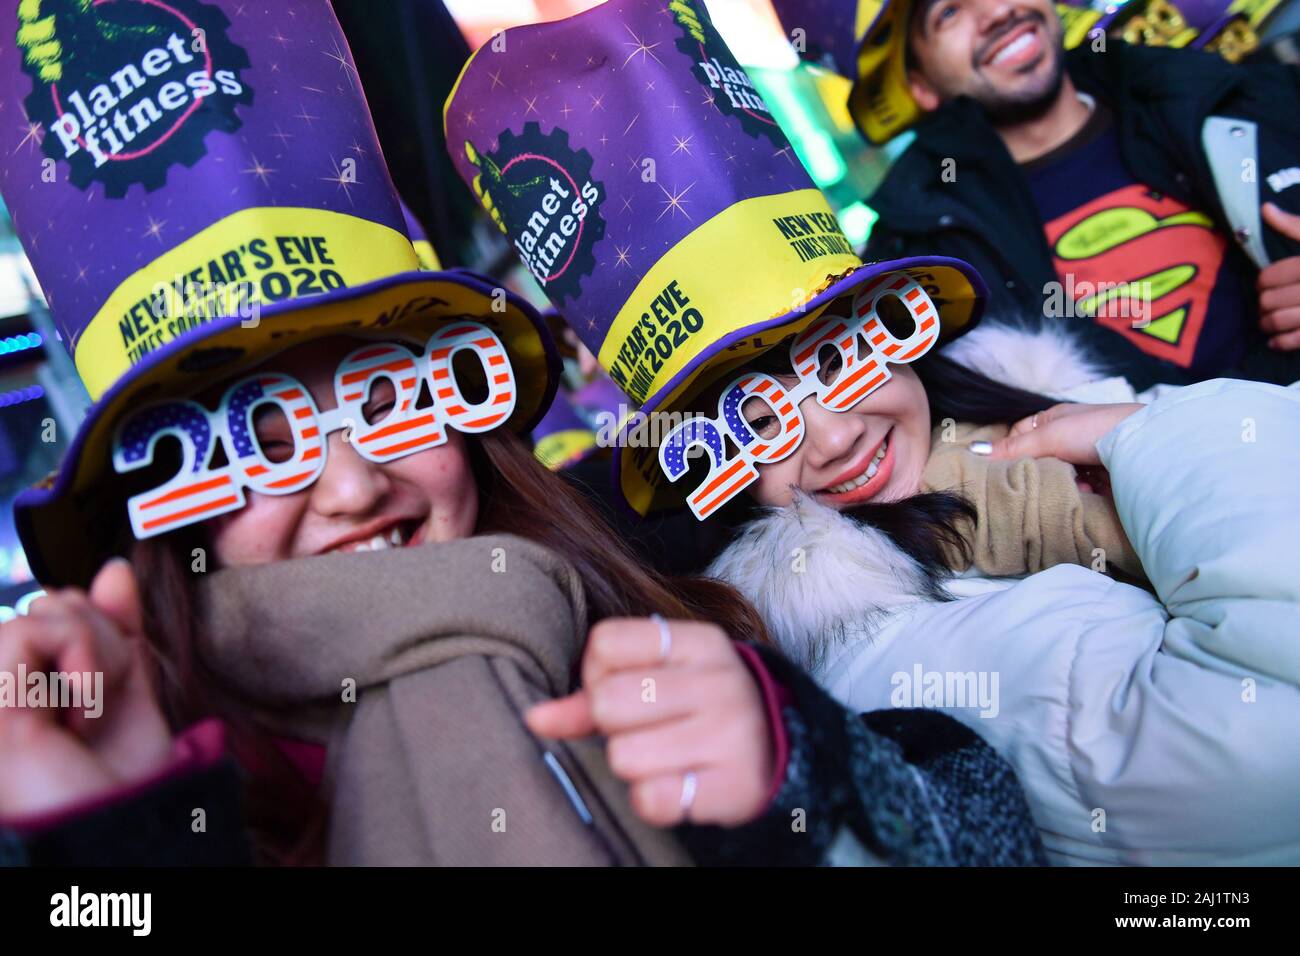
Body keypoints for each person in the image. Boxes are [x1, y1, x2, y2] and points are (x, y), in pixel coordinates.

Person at [0, 0, 1045, 867]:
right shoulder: (149, 774)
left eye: (387, 398)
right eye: (252, 438)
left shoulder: (656, 605)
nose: (353, 484)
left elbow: (986, 812)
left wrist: (803, 766)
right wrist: (115, 842)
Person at [774, 0, 1300, 390]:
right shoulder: (917, 269)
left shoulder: (1249, 96)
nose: (998, 10)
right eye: (950, 12)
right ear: (921, 85)